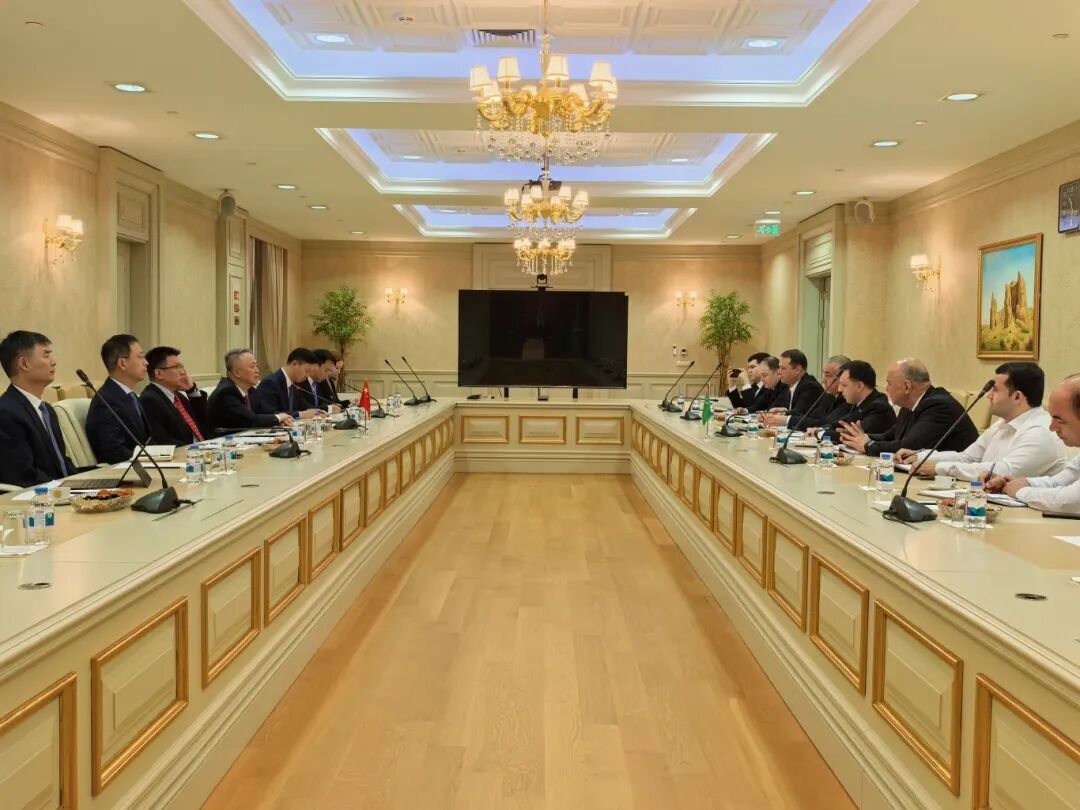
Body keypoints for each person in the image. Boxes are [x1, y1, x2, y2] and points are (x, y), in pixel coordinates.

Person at [896, 362, 1066, 482]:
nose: (988, 395)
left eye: (995, 390)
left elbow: (1002, 471)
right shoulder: (1001, 424)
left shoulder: (1040, 431)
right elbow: (967, 458)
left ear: (1017, 397)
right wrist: (920, 456)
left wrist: (940, 468)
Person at [839, 359, 978, 456]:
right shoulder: (908, 405)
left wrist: (867, 445)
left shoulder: (938, 406)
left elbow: (908, 446)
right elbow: (890, 435)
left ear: (907, 386)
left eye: (889, 383)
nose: (886, 388)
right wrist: (860, 438)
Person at [986, 374, 1080, 514]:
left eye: (1059, 420)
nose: (1052, 427)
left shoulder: (1039, 431)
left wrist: (1020, 491)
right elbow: (1060, 481)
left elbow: (1067, 502)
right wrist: (1019, 483)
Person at [0, 330, 77, 488]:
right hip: (39, 496)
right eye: (46, 355)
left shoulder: (47, 410)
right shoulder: (6, 412)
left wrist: (85, 484)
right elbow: (22, 474)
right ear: (24, 364)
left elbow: (60, 462)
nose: (53, 362)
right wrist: (66, 489)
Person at [85, 334, 151, 463]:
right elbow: (112, 452)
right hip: (127, 470)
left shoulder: (131, 396)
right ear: (122, 363)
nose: (146, 362)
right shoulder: (105, 402)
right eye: (140, 357)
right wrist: (151, 458)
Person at [208, 349, 294, 433]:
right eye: (252, 366)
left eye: (256, 366)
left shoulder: (251, 390)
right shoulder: (225, 393)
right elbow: (249, 420)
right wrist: (278, 418)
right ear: (237, 372)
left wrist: (280, 420)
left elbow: (266, 412)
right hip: (223, 440)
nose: (257, 370)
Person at [140, 346, 211, 446]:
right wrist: (196, 449)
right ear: (159, 373)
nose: (183, 372)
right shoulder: (150, 399)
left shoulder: (178, 396)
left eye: (181, 366)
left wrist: (191, 391)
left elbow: (206, 421)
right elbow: (162, 440)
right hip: (185, 452)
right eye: (177, 367)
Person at [812, 360, 896, 438]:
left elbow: (853, 435)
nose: (839, 389)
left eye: (844, 385)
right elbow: (839, 424)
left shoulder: (879, 408)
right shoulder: (858, 403)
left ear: (859, 386)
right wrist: (820, 429)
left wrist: (818, 433)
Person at [769, 354, 849, 428]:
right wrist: (784, 412)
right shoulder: (828, 395)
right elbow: (809, 416)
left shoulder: (847, 399)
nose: (823, 380)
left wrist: (787, 420)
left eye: (828, 375)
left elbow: (825, 424)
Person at [251, 348, 328, 420]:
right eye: (307, 371)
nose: (308, 376)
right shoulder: (271, 383)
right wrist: (299, 414)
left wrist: (316, 412)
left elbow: (303, 407)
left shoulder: (294, 384)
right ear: (295, 364)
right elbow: (271, 414)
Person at [767, 349, 825, 421]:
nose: (778, 372)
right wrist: (782, 411)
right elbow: (776, 406)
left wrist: (783, 414)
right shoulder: (789, 385)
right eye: (779, 367)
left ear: (797, 370)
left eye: (783, 368)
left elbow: (800, 413)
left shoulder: (811, 387)